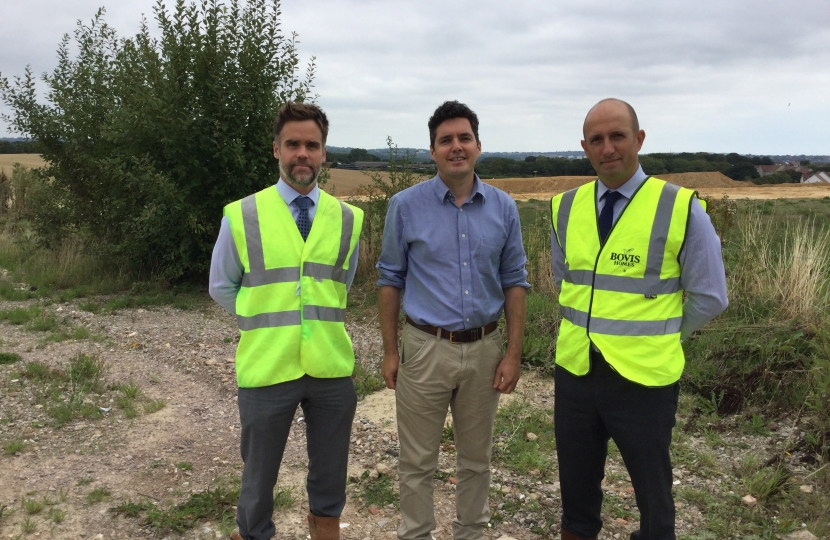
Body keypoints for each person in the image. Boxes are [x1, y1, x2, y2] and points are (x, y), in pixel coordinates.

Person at [549, 98, 728, 540]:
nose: (607, 148)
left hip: (644, 381)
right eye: (597, 140)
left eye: (617, 136)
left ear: (639, 139)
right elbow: (566, 282)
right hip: (576, 372)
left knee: (654, 504)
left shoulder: (680, 208)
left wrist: (663, 333)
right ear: (585, 148)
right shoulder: (564, 208)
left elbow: (710, 296)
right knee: (576, 502)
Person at [209, 102, 363, 540]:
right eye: (292, 144)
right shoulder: (242, 215)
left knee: (331, 473)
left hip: (331, 366)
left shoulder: (348, 219)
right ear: (276, 150)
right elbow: (221, 286)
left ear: (324, 154)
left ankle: (326, 530)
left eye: (311, 145)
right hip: (266, 366)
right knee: (258, 479)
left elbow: (341, 285)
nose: (302, 154)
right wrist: (259, 318)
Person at [377, 100, 530, 540]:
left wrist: (513, 355)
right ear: (433, 151)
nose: (456, 147)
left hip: (485, 350)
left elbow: (515, 282)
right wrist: (391, 352)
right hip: (424, 349)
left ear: (478, 146)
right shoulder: (404, 207)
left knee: (476, 461)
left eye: (464, 138)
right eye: (446, 140)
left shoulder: (504, 208)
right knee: (417, 463)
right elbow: (390, 279)